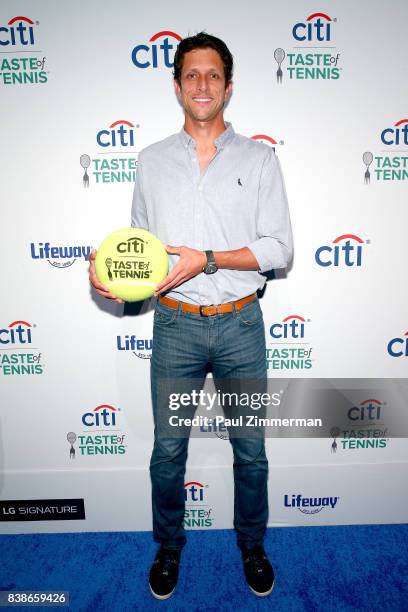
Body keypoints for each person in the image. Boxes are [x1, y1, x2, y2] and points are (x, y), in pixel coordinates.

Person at [89, 32, 293, 600]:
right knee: (168, 451)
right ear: (176, 84)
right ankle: (169, 546)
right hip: (175, 325)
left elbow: (279, 250)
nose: (202, 85)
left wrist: (208, 257)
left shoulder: (259, 159)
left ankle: (252, 545)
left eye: (213, 75)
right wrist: (116, 281)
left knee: (250, 450)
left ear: (228, 86)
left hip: (240, 326)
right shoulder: (150, 162)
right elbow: (145, 257)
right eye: (191, 75)